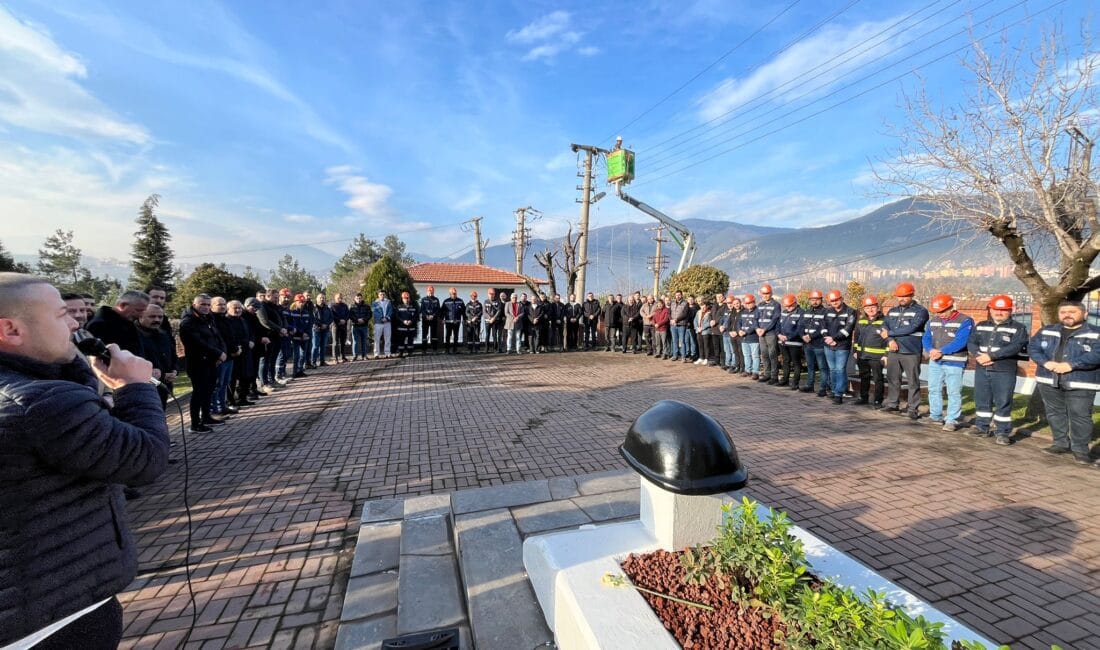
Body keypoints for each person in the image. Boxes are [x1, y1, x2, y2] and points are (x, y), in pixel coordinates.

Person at [0, 273, 169, 650]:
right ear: (10, 329)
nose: (76, 324)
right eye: (62, 314)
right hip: (55, 616)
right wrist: (135, 387)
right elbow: (145, 459)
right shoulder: (41, 403)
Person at [1030, 301, 1100, 465]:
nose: (1067, 315)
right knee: (1054, 413)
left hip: (1081, 381)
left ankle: (1080, 450)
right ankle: (1060, 443)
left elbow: (1096, 355)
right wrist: (1045, 362)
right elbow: (1033, 348)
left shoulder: (1096, 333)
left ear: (1085, 314)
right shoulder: (1047, 330)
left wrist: (1071, 365)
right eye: (1063, 312)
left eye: (1072, 312)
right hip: (1049, 378)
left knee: (1080, 416)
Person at [967, 295, 1028, 444]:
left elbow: (1015, 347)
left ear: (1010, 311)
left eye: (1003, 310)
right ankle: (982, 427)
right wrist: (978, 355)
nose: (999, 312)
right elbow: (971, 342)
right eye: (996, 309)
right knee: (982, 399)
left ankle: (1002, 432)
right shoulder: (981, 325)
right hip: (982, 368)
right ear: (990, 309)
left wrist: (992, 356)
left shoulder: (1018, 328)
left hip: (1004, 370)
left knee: (1003, 400)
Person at [923, 294, 974, 431]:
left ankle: (952, 419)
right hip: (936, 361)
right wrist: (930, 349)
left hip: (955, 362)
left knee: (954, 392)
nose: (941, 314)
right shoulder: (933, 321)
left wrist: (941, 351)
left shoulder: (965, 321)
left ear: (952, 307)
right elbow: (926, 338)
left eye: (943, 311)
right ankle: (935, 415)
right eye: (938, 312)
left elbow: (961, 341)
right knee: (934, 389)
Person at [179, 293, 227, 432]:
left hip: (211, 361)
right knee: (199, 393)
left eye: (208, 305)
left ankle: (206, 417)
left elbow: (218, 337)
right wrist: (218, 353)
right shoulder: (188, 322)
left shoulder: (208, 318)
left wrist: (222, 352)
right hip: (198, 362)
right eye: (202, 304)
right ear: (194, 305)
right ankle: (195, 424)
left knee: (209, 390)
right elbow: (198, 343)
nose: (206, 307)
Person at [882, 282, 930, 419]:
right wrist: (890, 340)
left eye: (905, 296)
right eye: (899, 296)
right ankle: (893, 404)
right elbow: (884, 327)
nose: (901, 299)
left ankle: (913, 408)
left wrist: (890, 333)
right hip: (894, 350)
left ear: (912, 295)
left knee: (913, 381)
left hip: (911, 350)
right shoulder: (892, 311)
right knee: (893, 379)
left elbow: (912, 328)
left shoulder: (920, 311)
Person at [136, 303, 178, 407]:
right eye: (152, 316)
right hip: (144, 388)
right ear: (140, 316)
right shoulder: (133, 335)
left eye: (160, 317)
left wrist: (174, 370)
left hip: (164, 386)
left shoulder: (163, 334)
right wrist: (163, 375)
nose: (157, 320)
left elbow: (172, 354)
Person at [86, 290, 150, 358]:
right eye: (138, 310)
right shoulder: (98, 325)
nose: (141, 315)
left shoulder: (128, 322)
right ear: (123, 305)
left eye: (143, 311)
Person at [822, 290, 857, 405]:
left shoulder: (850, 311)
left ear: (841, 299)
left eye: (836, 300)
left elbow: (848, 329)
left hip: (842, 346)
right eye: (832, 301)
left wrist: (834, 339)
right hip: (828, 344)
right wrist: (827, 338)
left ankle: (839, 394)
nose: (834, 302)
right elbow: (823, 326)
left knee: (840, 369)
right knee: (832, 369)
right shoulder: (828, 311)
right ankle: (833, 390)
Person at [853, 296, 888, 407]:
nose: (870, 310)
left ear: (877, 307)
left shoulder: (885, 321)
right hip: (862, 355)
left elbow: (889, 339)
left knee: (878, 379)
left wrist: (886, 354)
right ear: (864, 309)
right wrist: (855, 351)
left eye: (872, 307)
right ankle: (863, 397)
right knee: (864, 377)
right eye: (867, 308)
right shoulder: (861, 320)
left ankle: (878, 400)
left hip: (877, 356)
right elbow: (856, 336)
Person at [208, 297, 239, 416]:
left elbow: (231, 336)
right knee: (217, 384)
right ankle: (214, 409)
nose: (222, 306)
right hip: (220, 357)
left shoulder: (225, 319)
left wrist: (236, 349)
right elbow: (218, 339)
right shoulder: (212, 320)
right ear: (211, 306)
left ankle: (222, 405)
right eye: (219, 305)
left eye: (224, 304)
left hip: (229, 357)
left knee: (225, 383)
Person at [225, 300, 255, 408]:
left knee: (246, 376)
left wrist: (252, 341)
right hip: (236, 352)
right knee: (233, 379)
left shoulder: (242, 319)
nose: (238, 310)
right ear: (228, 309)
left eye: (239, 308)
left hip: (246, 352)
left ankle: (243, 398)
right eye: (235, 308)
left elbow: (250, 332)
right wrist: (246, 343)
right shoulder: (227, 321)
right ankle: (231, 401)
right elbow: (233, 336)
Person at [256, 289, 286, 390]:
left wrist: (284, 329)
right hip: (267, 337)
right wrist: (279, 329)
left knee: (273, 360)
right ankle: (264, 383)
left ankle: (272, 380)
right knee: (265, 360)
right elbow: (265, 321)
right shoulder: (261, 306)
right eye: (275, 297)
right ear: (268, 296)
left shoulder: (276, 306)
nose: (277, 299)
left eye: (277, 297)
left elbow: (282, 318)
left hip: (277, 336)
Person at [800, 290, 829, 396]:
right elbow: (801, 325)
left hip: (819, 344)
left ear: (821, 300)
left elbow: (824, 328)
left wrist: (811, 336)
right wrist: (803, 336)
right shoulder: (807, 312)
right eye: (812, 300)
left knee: (822, 367)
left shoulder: (825, 312)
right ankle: (809, 385)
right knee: (810, 366)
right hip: (807, 344)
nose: (814, 302)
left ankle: (823, 388)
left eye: (817, 299)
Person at [777, 294, 805, 389]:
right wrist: (779, 335)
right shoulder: (784, 312)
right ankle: (785, 380)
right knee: (785, 361)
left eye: (790, 306)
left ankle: (795, 382)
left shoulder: (801, 313)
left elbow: (800, 329)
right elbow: (778, 325)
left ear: (795, 303)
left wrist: (788, 337)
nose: (788, 308)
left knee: (796, 362)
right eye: (786, 306)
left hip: (795, 343)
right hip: (783, 342)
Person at [755, 284, 781, 384]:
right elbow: (755, 318)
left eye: (767, 293)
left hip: (771, 334)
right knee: (764, 355)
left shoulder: (776, 305)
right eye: (763, 293)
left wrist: (764, 329)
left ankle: (774, 377)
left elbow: (775, 320)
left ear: (771, 293)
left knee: (772, 355)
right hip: (761, 334)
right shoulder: (760, 305)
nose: (765, 295)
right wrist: (757, 328)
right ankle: (767, 374)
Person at [289, 294, 313, 377]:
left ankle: (300, 370)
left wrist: (306, 333)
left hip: (305, 337)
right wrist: (301, 333)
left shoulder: (307, 313)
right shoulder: (292, 313)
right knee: (296, 355)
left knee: (303, 355)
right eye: (300, 302)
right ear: (295, 302)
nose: (302, 304)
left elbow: (309, 324)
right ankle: (295, 372)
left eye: (303, 302)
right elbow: (293, 325)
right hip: (296, 337)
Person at [737, 294, 761, 378]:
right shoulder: (743, 311)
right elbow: (739, 322)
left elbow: (756, 324)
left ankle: (755, 372)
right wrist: (739, 330)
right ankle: (748, 370)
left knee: (755, 356)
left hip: (754, 338)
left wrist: (746, 332)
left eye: (750, 303)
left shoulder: (758, 311)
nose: (748, 305)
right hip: (744, 338)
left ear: (754, 302)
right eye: (747, 303)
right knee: (746, 355)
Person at [311, 293, 334, 367]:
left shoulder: (327, 308)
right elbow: (313, 318)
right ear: (317, 299)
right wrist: (321, 325)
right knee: (315, 346)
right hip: (316, 330)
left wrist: (326, 324)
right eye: (320, 298)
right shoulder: (313, 308)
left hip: (325, 330)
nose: (322, 299)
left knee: (323, 346)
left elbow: (331, 318)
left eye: (323, 298)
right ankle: (313, 362)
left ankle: (322, 361)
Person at [395, 291, 419, 357]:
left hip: (411, 327)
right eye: (405, 298)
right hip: (401, 328)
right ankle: (401, 353)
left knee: (410, 341)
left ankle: (410, 352)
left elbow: (416, 316)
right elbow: (397, 316)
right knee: (401, 341)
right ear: (402, 299)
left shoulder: (414, 307)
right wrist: (403, 321)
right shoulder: (399, 307)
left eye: (407, 298)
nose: (406, 300)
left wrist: (411, 321)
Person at [441, 287, 465, 354]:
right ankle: (447, 350)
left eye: (455, 293)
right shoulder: (446, 301)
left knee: (456, 336)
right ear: (450, 294)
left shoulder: (460, 301)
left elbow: (464, 311)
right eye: (453, 293)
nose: (454, 295)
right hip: (448, 322)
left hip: (457, 322)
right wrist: (442, 319)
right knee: (448, 336)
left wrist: (464, 319)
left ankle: (455, 350)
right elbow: (442, 311)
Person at [349, 293, 371, 360]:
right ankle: (355, 356)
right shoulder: (352, 307)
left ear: (362, 298)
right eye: (357, 298)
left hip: (364, 326)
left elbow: (369, 314)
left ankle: (364, 356)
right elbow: (350, 316)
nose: (358, 299)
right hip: (355, 326)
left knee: (364, 341)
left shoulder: (367, 306)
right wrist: (357, 320)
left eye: (360, 298)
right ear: (355, 299)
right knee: (355, 342)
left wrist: (364, 320)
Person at [420, 286, 442, 354]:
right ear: (427, 292)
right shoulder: (423, 299)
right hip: (425, 319)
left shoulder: (436, 300)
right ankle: (424, 350)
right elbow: (422, 309)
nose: (430, 293)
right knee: (424, 335)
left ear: (433, 292)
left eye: (432, 292)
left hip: (433, 319)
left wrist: (433, 315)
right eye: (429, 291)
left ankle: (434, 350)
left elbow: (438, 309)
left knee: (434, 335)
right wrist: (426, 316)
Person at [372, 290, 393, 359]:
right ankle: (376, 354)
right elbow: (375, 312)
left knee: (387, 338)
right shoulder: (375, 303)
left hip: (387, 322)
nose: (382, 296)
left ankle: (387, 353)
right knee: (377, 339)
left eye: (383, 294)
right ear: (378, 295)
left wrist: (387, 318)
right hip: (378, 323)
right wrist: (381, 318)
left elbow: (390, 311)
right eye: (381, 294)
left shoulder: (388, 302)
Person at [669, 291, 689, 361]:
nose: (678, 296)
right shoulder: (672, 303)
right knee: (674, 341)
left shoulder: (685, 303)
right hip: (673, 325)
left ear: (682, 295)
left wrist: (676, 320)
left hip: (681, 325)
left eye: (679, 295)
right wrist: (671, 320)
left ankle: (683, 357)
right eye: (676, 295)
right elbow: (669, 313)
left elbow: (684, 314)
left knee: (682, 341)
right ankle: (675, 355)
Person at [331, 293, 351, 363]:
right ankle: (335, 358)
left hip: (344, 326)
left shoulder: (345, 306)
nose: (340, 299)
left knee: (343, 342)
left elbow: (348, 314)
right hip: (336, 326)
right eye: (338, 298)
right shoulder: (332, 306)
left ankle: (343, 357)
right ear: (335, 298)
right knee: (335, 342)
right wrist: (339, 320)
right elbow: (332, 315)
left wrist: (344, 320)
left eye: (341, 298)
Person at [484, 288, 504, 353]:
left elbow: (499, 311)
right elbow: (484, 312)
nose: (491, 295)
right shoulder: (485, 301)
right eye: (490, 294)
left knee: (494, 335)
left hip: (495, 321)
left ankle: (495, 349)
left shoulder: (498, 302)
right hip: (487, 321)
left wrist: (493, 318)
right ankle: (486, 349)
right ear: (488, 294)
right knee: (487, 335)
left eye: (493, 294)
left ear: (494, 294)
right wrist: (490, 318)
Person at [694, 301, 713, 365]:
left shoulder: (709, 313)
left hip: (706, 331)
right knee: (700, 345)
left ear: (707, 307)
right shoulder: (698, 312)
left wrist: (702, 328)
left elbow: (709, 323)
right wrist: (697, 328)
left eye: (704, 307)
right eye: (702, 306)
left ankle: (707, 358)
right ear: (700, 306)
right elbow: (695, 321)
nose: (703, 308)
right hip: (698, 331)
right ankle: (701, 357)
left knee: (706, 345)